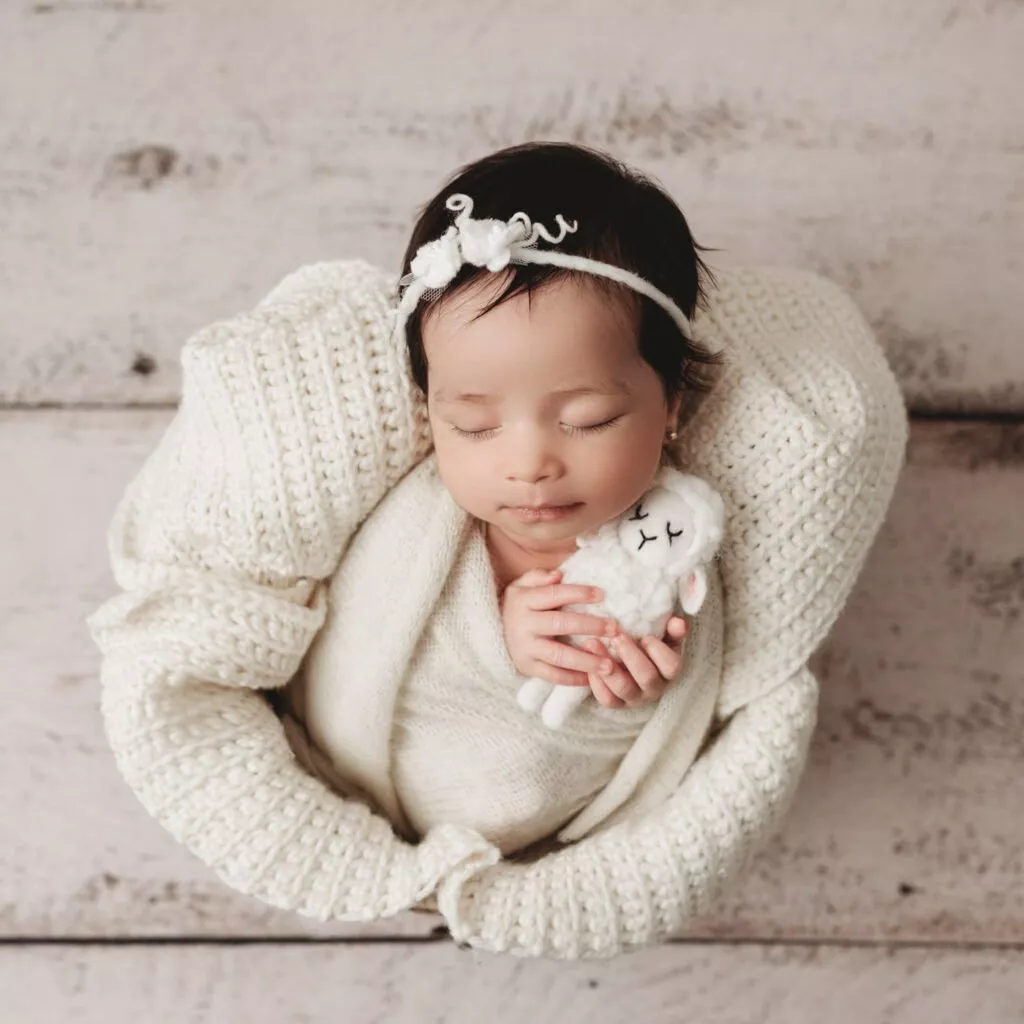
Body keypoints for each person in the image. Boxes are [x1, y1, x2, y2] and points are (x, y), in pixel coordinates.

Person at [278, 142, 730, 855]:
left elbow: (656, 735)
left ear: (672, 404)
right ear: (430, 414)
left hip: (537, 833)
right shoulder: (419, 529)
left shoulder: (670, 544)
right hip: (354, 794)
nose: (528, 465)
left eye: (587, 420)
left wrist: (623, 698)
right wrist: (491, 632)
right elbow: (355, 639)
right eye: (475, 425)